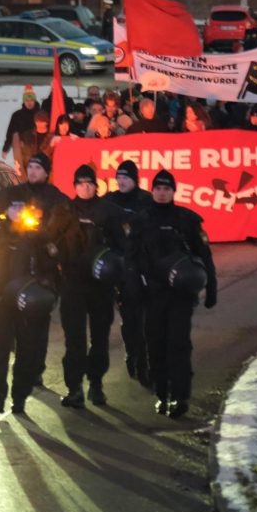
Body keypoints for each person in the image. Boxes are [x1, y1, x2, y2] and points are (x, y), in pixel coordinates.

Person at [0, 153, 75, 414]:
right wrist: (1, 218)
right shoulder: (7, 206)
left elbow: (65, 231)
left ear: (46, 172)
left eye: (38, 167)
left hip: (31, 291)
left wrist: (45, 230)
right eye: (29, 166)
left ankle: (20, 395)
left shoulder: (53, 201)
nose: (32, 171)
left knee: (30, 348)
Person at [126, 170, 218, 418]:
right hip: (152, 294)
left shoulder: (187, 220)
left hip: (180, 295)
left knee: (178, 344)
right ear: (152, 190)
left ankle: (180, 396)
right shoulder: (141, 221)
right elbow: (131, 259)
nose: (162, 192)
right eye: (158, 188)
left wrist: (211, 288)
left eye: (167, 188)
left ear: (173, 191)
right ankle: (162, 394)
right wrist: (132, 289)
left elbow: (204, 256)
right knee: (155, 344)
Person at [59, 164, 127, 409]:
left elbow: (122, 246)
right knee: (74, 339)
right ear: (75, 186)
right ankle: (74, 388)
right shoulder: (65, 210)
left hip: (100, 285)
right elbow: (49, 239)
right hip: (73, 284)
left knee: (99, 338)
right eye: (80, 183)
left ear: (95, 185)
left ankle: (96, 384)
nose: (85, 188)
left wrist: (116, 269)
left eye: (89, 183)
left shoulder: (107, 211)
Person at [103, 160, 154, 386]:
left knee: (144, 320)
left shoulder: (145, 201)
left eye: (126, 177)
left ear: (135, 179)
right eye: (119, 177)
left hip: (142, 270)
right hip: (120, 271)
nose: (121, 181)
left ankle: (144, 366)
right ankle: (131, 353)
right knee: (129, 320)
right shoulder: (110, 201)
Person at [3, 86, 39, 160]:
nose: (29, 103)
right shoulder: (17, 115)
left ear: (35, 101)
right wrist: (5, 149)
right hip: (23, 148)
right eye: (27, 100)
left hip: (38, 147)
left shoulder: (40, 114)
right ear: (23, 101)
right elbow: (10, 132)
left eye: (31, 100)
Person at [12, 111, 51, 176]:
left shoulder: (51, 136)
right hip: (30, 171)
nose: (39, 124)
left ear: (47, 122)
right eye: (37, 121)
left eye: (42, 122)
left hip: (46, 172)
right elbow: (21, 153)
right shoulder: (27, 135)